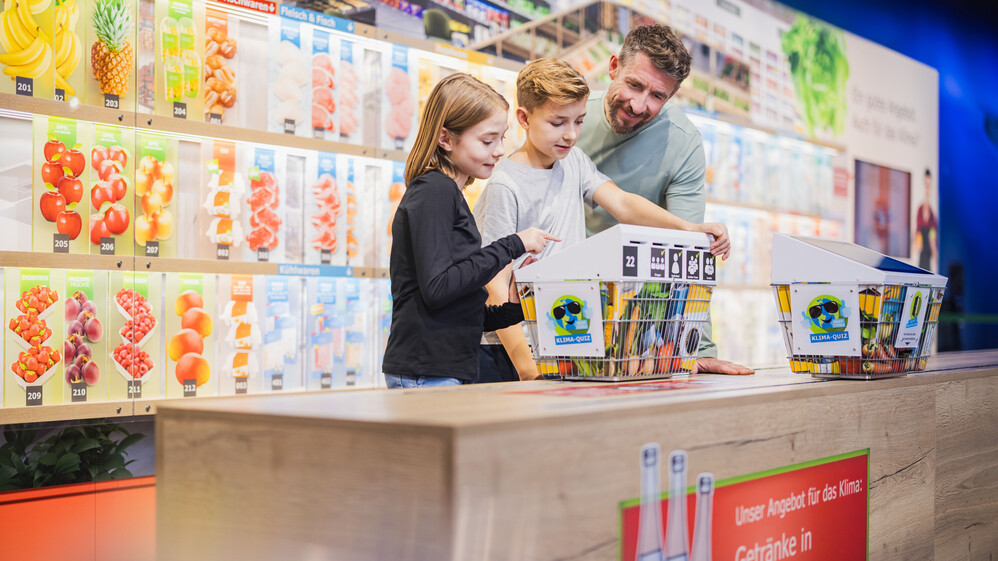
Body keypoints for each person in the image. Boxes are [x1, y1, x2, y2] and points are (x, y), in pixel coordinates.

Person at [473, 58, 731, 382]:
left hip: (565, 339)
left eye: (579, 122)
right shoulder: (505, 186)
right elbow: (495, 286)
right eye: (558, 123)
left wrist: (689, 227)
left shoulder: (574, 162)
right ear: (524, 118)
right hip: (512, 351)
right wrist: (528, 370)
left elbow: (622, 203)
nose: (570, 135)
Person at [576, 24, 754, 375]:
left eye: (657, 96)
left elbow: (687, 253)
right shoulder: (571, 121)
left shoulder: (683, 142)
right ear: (613, 67)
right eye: (634, 84)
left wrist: (696, 347)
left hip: (635, 320)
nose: (639, 104)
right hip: (564, 298)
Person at [382, 73, 559, 389]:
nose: (499, 150)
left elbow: (462, 312)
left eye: (502, 138)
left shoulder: (447, 193)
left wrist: (513, 307)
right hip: (427, 371)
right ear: (446, 139)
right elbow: (438, 288)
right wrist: (513, 244)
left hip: (442, 368)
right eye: (487, 140)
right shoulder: (435, 191)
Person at [915, 168, 938, 271]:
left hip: (927, 255)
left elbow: (932, 238)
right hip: (922, 254)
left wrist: (936, 256)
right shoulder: (920, 210)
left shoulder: (932, 216)